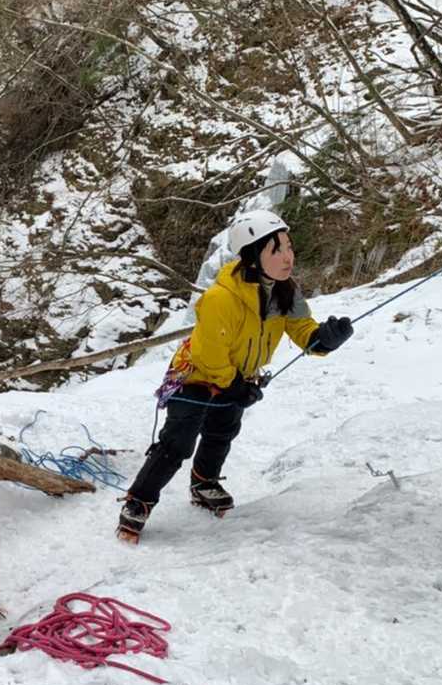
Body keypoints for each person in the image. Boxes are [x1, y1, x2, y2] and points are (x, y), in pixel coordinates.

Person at [117, 210, 355, 543]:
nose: (288, 257)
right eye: (277, 250)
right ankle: (139, 501)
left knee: (222, 432)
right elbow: (209, 354)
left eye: (288, 246)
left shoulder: (285, 291)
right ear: (252, 256)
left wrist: (323, 339)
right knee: (177, 443)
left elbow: (301, 328)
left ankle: (204, 482)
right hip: (195, 376)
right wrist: (234, 386)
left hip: (238, 377)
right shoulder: (221, 298)